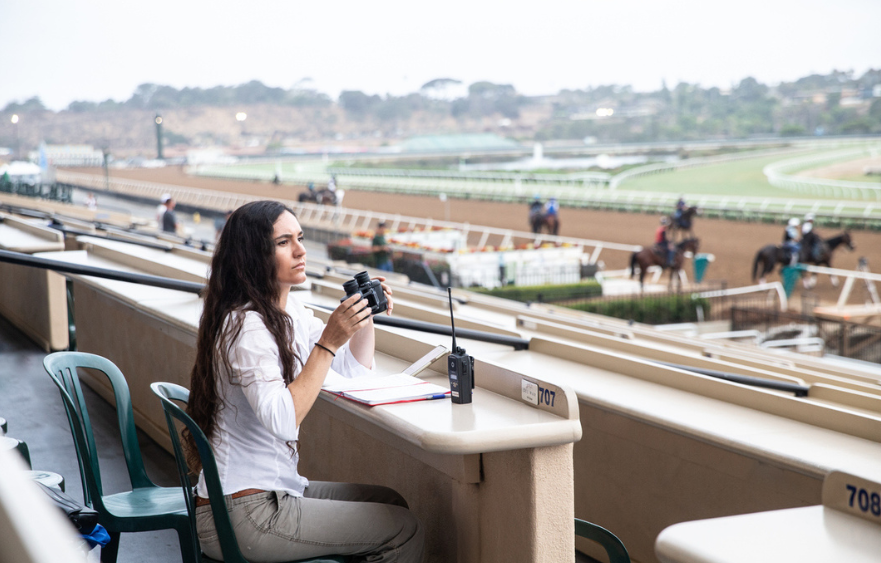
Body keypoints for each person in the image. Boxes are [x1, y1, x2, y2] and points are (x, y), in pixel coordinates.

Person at [185, 200, 423, 562]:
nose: (300, 250)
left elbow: (354, 370)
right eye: (283, 243)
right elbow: (283, 419)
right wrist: (328, 340)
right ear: (254, 255)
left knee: (391, 503)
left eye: (299, 238)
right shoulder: (247, 326)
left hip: (268, 495)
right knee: (403, 528)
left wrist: (362, 316)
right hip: (244, 515)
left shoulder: (287, 311)